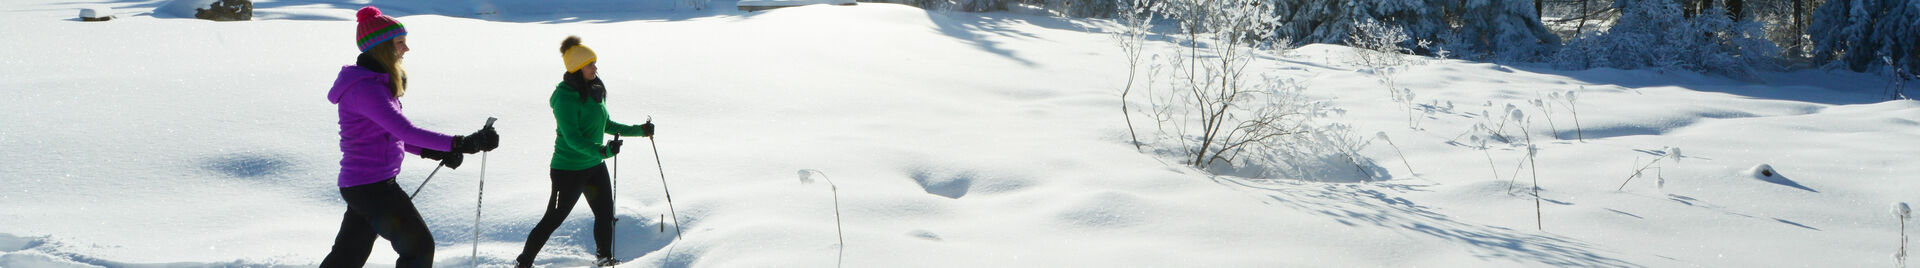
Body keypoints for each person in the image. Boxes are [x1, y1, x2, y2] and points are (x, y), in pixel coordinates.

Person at [322, 6, 499, 267]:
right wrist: (462, 142)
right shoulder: (366, 89)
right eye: (400, 43)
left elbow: (392, 135)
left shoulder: (374, 83)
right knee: (419, 249)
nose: (406, 49)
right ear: (382, 47)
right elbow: (405, 131)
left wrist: (434, 150)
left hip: (364, 186)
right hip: (372, 188)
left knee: (347, 256)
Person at [516, 35, 654, 268]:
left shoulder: (594, 90)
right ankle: (524, 262)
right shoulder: (565, 98)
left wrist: (640, 131)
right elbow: (572, 139)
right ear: (577, 68)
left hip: (594, 166)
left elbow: (606, 125)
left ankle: (604, 258)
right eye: (590, 64)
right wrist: (603, 151)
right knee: (554, 219)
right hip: (568, 169)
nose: (595, 68)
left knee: (604, 214)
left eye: (594, 63)